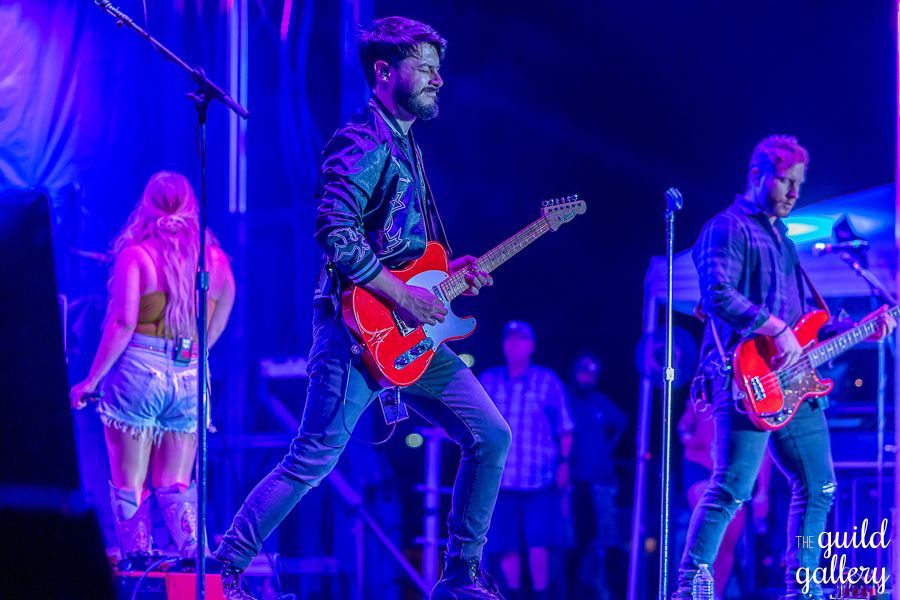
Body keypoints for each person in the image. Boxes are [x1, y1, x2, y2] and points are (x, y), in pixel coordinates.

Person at [212, 16, 510, 600]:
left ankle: (458, 577)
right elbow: (334, 232)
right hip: (354, 331)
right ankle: (226, 565)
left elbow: (396, 251)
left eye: (437, 69)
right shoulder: (363, 139)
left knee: (491, 435)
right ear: (383, 72)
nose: (438, 80)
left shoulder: (405, 143)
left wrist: (446, 277)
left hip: (407, 337)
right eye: (424, 68)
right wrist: (404, 297)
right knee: (313, 458)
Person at [671, 135, 895, 600]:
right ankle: (690, 586)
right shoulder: (728, 227)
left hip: (795, 384)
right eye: (785, 181)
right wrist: (772, 327)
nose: (795, 192)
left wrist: (858, 331)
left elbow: (805, 327)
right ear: (757, 176)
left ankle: (803, 589)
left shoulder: (784, 240)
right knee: (732, 487)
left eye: (799, 183)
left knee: (820, 485)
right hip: (744, 376)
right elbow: (714, 293)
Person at [69, 170, 235, 560]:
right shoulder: (214, 260)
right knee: (176, 483)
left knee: (131, 483)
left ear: (146, 206)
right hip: (191, 372)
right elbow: (223, 310)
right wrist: (196, 353)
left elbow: (123, 323)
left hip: (138, 372)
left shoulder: (137, 256)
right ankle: (196, 556)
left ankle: (138, 562)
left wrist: (91, 380)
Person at [481, 320, 573, 600]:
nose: (513, 344)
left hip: (539, 478)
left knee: (539, 541)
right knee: (505, 543)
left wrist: (565, 464)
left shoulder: (547, 381)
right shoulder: (489, 380)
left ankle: (541, 594)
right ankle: (515, 594)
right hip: (501, 477)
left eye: (520, 339)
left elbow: (565, 427)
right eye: (509, 339)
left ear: (531, 346)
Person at [678, 395, 772, 598]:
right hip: (702, 467)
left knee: (728, 540)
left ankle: (714, 593)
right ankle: (692, 589)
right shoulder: (706, 386)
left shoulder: (752, 396)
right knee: (708, 526)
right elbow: (684, 427)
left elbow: (763, 448)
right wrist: (690, 438)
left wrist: (762, 492)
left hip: (732, 473)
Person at [566, 353, 626, 600]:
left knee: (607, 542)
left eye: (592, 374)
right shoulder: (566, 400)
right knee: (576, 543)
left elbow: (622, 422)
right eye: (583, 372)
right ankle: (573, 592)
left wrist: (608, 450)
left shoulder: (600, 402)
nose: (587, 378)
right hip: (575, 482)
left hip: (602, 482)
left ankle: (609, 592)